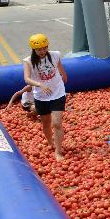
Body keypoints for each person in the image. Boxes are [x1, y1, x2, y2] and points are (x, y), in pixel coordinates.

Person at [23, 33, 69, 161]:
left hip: (58, 93)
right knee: (46, 123)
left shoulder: (55, 55)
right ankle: (50, 142)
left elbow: (59, 67)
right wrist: (39, 84)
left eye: (44, 48)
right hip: (41, 96)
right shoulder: (28, 61)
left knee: (57, 123)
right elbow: (26, 78)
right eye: (39, 49)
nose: (42, 51)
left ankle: (58, 151)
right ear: (34, 49)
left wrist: (64, 75)